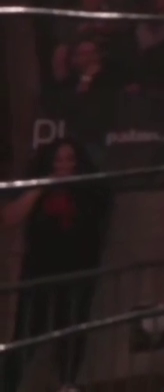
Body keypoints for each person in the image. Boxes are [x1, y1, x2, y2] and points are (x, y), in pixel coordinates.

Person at [1, 139, 113, 392]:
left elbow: (99, 227)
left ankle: (67, 383)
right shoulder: (36, 186)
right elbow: (9, 217)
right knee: (26, 334)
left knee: (73, 332)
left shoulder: (92, 189)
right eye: (58, 160)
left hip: (77, 271)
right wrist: (42, 187)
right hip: (39, 272)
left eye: (69, 160)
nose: (64, 166)